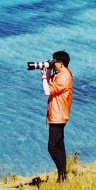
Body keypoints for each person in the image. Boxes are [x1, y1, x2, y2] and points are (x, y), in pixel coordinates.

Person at [41, 51, 73, 182]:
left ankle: (62, 175)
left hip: (58, 116)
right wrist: (48, 71)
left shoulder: (63, 78)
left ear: (61, 63)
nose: (52, 63)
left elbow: (47, 91)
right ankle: (62, 177)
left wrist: (44, 77)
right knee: (60, 146)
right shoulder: (64, 73)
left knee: (53, 148)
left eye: (54, 61)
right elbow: (51, 86)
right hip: (60, 114)